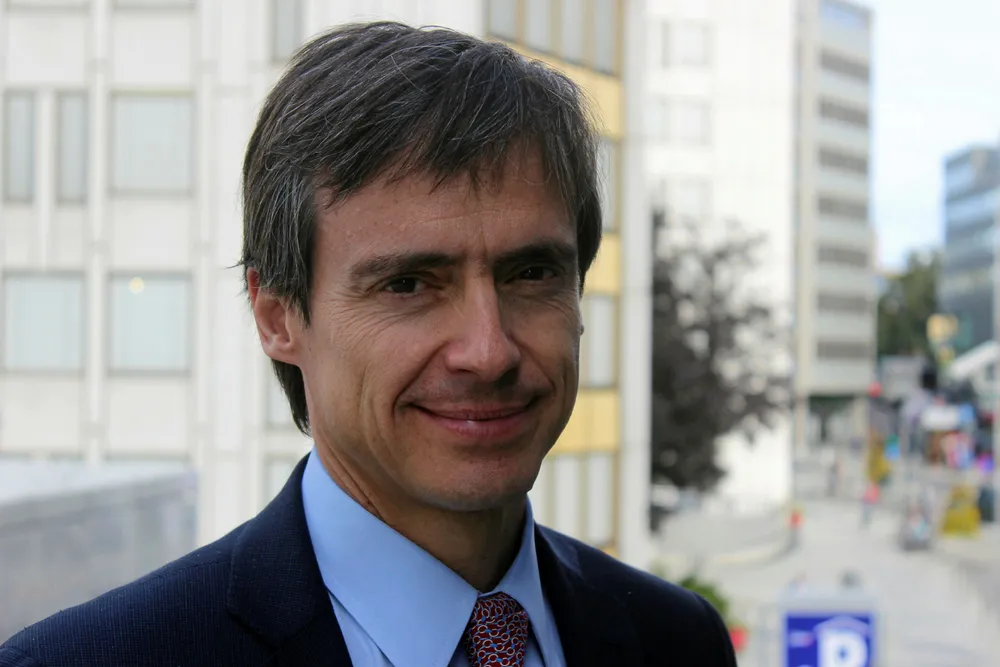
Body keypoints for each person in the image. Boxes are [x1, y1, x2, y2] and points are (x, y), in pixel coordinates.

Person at [0, 22, 736, 667]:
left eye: (531, 273)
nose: (489, 351)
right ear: (277, 317)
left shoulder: (676, 641)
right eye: (409, 284)